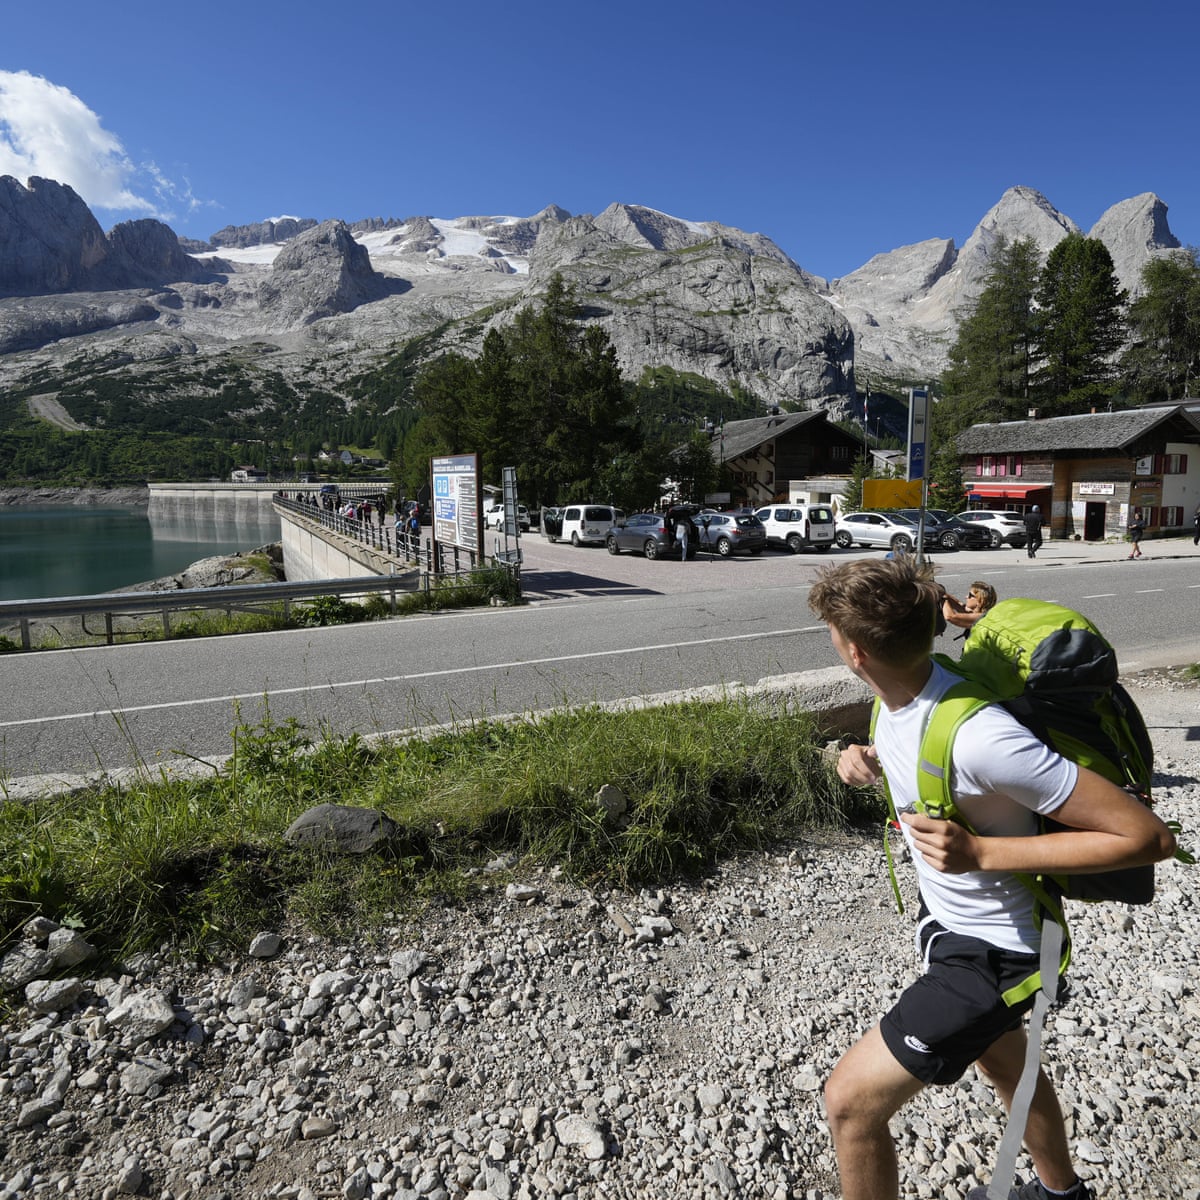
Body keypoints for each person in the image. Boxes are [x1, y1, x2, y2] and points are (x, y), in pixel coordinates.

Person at [806, 556, 1175, 1200]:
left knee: (851, 1103)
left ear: (856, 653)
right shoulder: (909, 686)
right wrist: (859, 756)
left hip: (1000, 953)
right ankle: (1060, 1193)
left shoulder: (984, 738)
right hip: (952, 927)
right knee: (1006, 1064)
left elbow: (1147, 838)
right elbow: (911, 743)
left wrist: (981, 854)